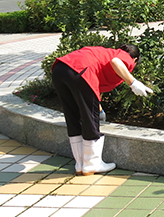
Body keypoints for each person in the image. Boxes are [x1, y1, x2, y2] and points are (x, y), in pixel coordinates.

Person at [51, 44, 153, 175]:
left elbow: (93, 88)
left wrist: (99, 109)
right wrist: (133, 82)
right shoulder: (124, 56)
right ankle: (91, 164)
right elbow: (116, 62)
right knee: (90, 120)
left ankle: (80, 164)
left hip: (60, 69)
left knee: (73, 117)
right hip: (80, 71)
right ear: (135, 59)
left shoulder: (105, 52)